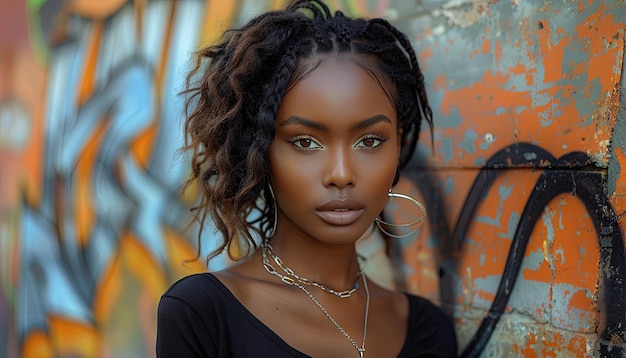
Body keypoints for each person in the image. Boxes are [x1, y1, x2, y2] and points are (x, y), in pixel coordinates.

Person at [156, 0, 457, 356]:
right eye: (305, 142)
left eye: (370, 141)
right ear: (260, 147)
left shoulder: (427, 330)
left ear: (398, 144)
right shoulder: (204, 315)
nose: (342, 174)